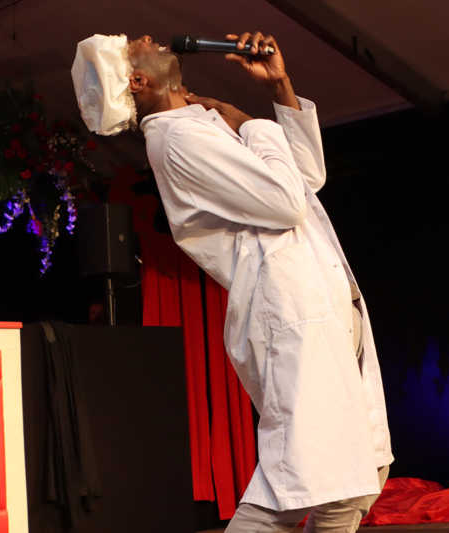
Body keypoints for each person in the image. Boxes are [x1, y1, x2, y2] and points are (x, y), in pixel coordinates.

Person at [72, 32, 393, 532]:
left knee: (362, 474)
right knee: (297, 487)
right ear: (137, 81)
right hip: (289, 313)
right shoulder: (177, 139)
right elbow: (285, 202)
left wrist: (279, 87)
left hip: (323, 302)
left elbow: (306, 178)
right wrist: (247, 122)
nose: (148, 36)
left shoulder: (197, 124)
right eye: (135, 44)